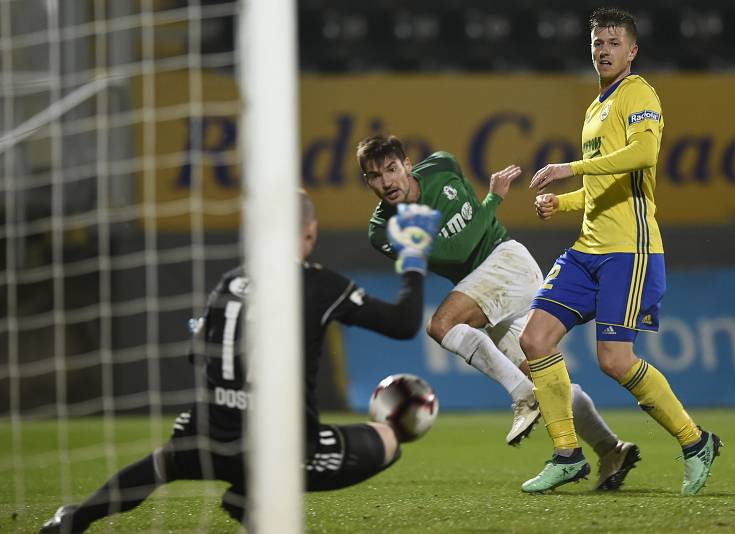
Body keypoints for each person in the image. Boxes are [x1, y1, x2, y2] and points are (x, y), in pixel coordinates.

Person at [40, 191, 442, 533]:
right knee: (390, 440)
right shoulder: (321, 285)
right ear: (310, 233)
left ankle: (72, 521)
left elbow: (197, 353)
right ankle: (251, 493)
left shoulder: (231, 281)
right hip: (280, 449)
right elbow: (405, 324)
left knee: (165, 462)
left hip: (210, 433)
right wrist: (413, 257)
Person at [359, 134, 641, 490]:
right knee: (547, 382)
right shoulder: (381, 230)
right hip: (486, 283)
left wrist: (490, 202)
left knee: (442, 325)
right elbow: (454, 252)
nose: (386, 181)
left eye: (391, 169)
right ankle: (610, 448)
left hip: (506, 260)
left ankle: (522, 396)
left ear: (407, 166)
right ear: (367, 182)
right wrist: (492, 200)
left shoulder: (443, 165)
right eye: (374, 176)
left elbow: (472, 239)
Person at [519, 7, 721, 496]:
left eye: (612, 43)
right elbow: (604, 183)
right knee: (534, 340)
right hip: (587, 250)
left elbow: (643, 155)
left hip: (628, 252)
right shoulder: (595, 108)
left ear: (631, 50)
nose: (602, 51)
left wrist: (571, 167)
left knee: (614, 360)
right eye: (596, 44)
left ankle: (696, 442)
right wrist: (562, 202)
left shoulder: (639, 93)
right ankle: (568, 453)